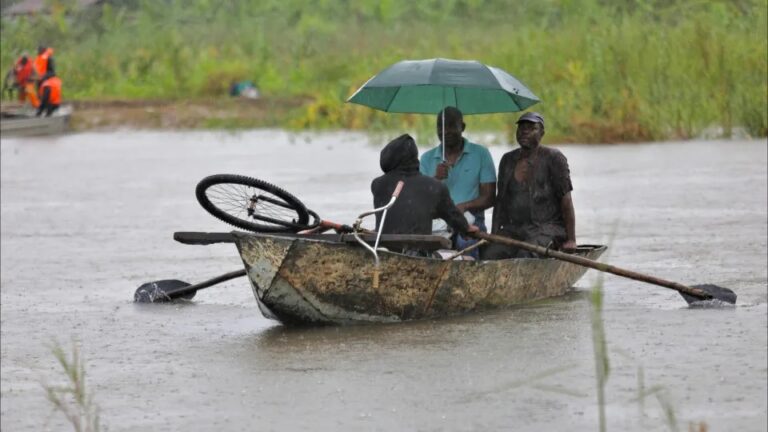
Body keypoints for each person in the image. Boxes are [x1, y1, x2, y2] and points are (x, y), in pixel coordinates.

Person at [482, 112, 576, 260]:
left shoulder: (554, 158)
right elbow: (500, 202)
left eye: (532, 128)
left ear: (542, 133)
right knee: (489, 254)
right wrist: (494, 235)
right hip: (515, 230)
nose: (525, 131)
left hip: (548, 228)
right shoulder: (507, 160)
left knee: (525, 255)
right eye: (521, 128)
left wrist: (571, 240)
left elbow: (566, 200)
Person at [371, 134, 478, 255]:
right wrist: (466, 228)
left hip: (384, 253)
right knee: (468, 259)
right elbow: (453, 216)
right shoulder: (435, 187)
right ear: (415, 158)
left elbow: (404, 206)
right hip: (420, 255)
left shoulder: (377, 185)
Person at [419, 106, 496, 257]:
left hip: (470, 218)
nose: (446, 131)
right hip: (437, 220)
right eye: (441, 126)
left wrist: (464, 206)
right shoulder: (427, 158)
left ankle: (469, 272)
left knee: (466, 243)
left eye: (451, 126)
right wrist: (435, 179)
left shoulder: (481, 154)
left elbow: (489, 197)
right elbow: (419, 198)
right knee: (423, 245)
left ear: (463, 127)